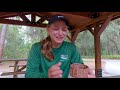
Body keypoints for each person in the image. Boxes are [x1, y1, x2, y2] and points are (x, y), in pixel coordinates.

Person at [25, 15, 94, 78]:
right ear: (48, 30)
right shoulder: (36, 48)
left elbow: (79, 67)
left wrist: (86, 73)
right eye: (56, 29)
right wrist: (47, 75)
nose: (60, 33)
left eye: (64, 29)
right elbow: (29, 75)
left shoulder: (71, 48)